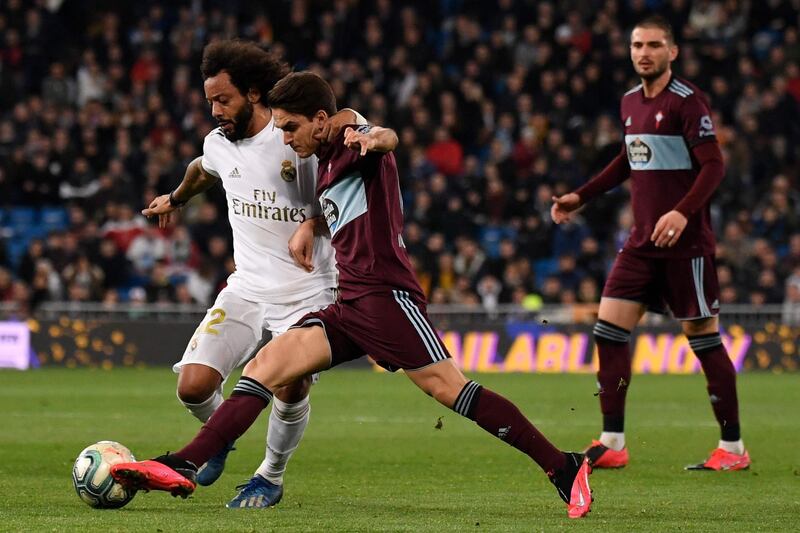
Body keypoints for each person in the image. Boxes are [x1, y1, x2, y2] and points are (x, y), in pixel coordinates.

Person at [111, 71, 595, 519]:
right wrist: (311, 222)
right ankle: (186, 463)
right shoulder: (319, 158)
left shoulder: (350, 141)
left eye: (291, 127)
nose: (284, 138)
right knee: (264, 368)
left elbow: (385, 138)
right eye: (278, 128)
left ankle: (563, 465)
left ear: (321, 120)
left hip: (388, 299)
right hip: (349, 303)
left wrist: (372, 136)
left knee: (452, 391)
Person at [142, 40, 366, 508]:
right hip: (246, 286)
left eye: (223, 100)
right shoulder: (218, 144)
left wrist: (311, 222)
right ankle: (220, 439)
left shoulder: (294, 137)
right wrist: (176, 198)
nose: (215, 110)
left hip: (309, 288)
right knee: (193, 386)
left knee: (290, 382)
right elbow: (202, 169)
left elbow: (345, 175)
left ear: (255, 93)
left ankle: (270, 475)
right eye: (209, 102)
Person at [550, 15, 749, 471]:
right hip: (640, 242)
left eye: (654, 45)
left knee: (703, 340)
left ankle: (734, 448)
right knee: (607, 331)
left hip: (686, 245)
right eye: (638, 44)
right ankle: (613, 441)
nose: (644, 52)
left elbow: (714, 166)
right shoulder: (629, 103)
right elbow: (628, 159)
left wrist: (682, 212)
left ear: (672, 52)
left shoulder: (688, 102)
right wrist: (582, 195)